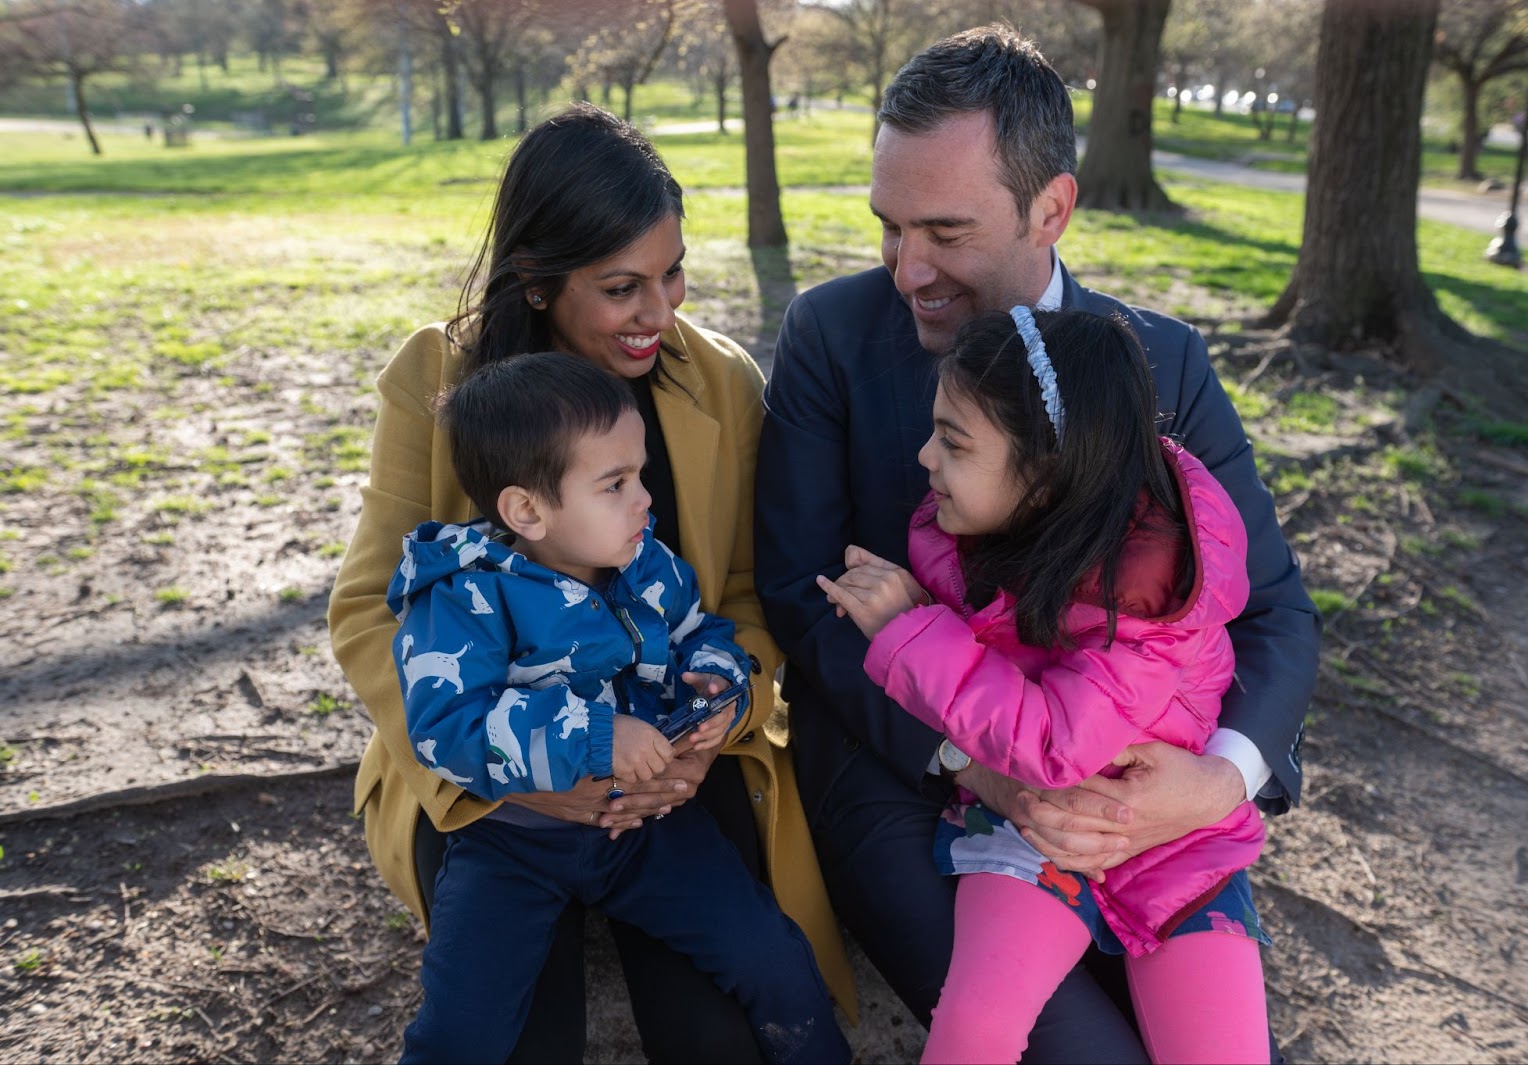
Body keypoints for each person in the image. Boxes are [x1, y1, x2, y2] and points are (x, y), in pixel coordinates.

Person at [754, 24, 1319, 1062]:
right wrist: (987, 767)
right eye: (888, 225)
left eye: (944, 232)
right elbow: (797, 586)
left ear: (1050, 208)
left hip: (1146, 801)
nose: (904, 268)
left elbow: (1273, 609)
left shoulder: (1160, 362)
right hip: (906, 768)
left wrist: (1219, 782)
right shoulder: (831, 333)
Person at [329, 102, 854, 1064]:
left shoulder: (724, 383)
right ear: (537, 281)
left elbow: (743, 594)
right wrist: (522, 772)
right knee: (513, 1035)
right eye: (623, 287)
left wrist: (712, 731)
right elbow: (368, 608)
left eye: (673, 272)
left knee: (723, 1032)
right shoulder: (435, 377)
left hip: (671, 772)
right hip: (490, 783)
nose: (661, 311)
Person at [819, 309, 1270, 1064]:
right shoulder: (977, 528)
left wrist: (910, 629)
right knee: (977, 1027)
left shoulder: (1151, 591)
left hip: (1175, 844)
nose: (926, 456)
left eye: (954, 442)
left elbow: (1057, 744)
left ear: (1048, 472)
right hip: (1033, 832)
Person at [392, 352, 850, 1065]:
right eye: (615, 483)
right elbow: (448, 729)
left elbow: (704, 630)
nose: (644, 499)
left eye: (638, 474)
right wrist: (598, 734)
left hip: (646, 826)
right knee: (463, 1030)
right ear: (526, 510)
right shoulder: (463, 596)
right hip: (512, 841)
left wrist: (716, 687)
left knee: (769, 953)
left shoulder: (647, 565)